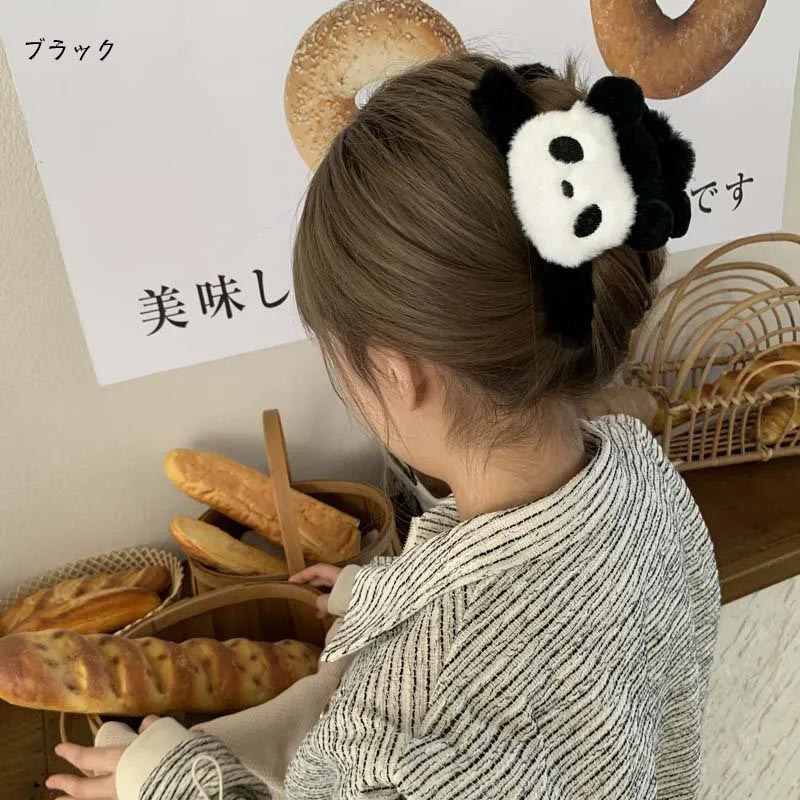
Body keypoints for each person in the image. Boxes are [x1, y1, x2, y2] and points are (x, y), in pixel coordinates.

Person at [47, 53, 720, 800]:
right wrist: (379, 595)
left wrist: (164, 780)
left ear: (399, 374)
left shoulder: (408, 715)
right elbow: (511, 578)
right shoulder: (640, 472)